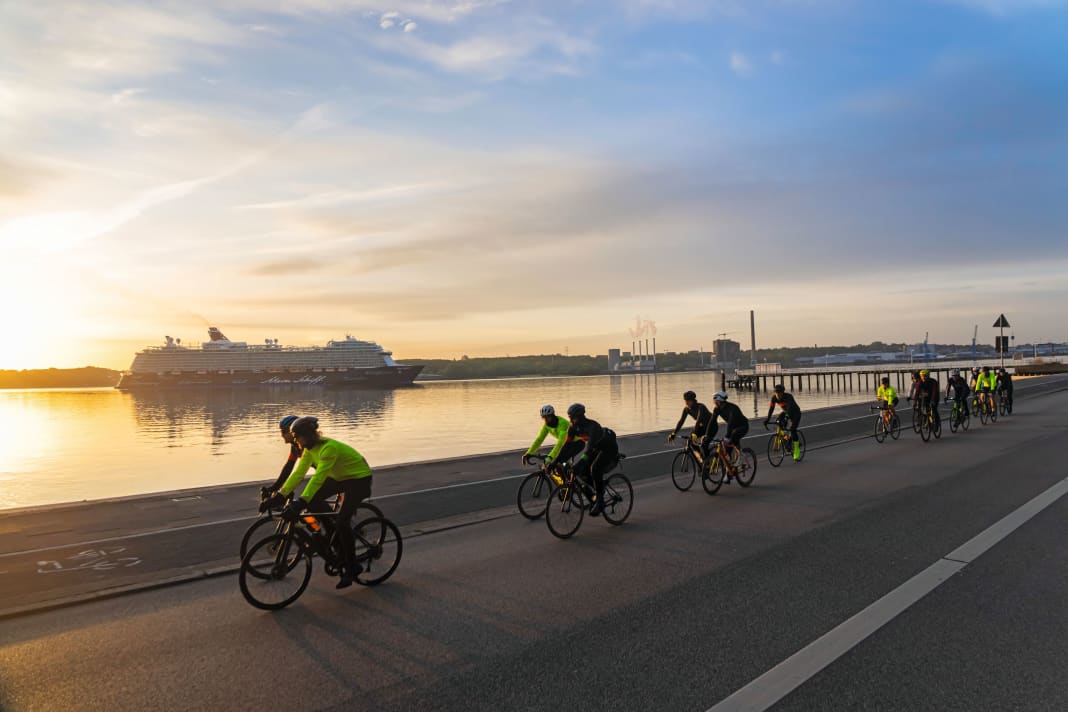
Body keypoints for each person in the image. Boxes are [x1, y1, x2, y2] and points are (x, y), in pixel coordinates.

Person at [260, 416, 372, 590]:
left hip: (359, 479)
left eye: (298, 438)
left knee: (342, 522)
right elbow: (298, 474)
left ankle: (352, 566)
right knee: (313, 502)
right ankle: (330, 530)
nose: (297, 442)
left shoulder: (329, 449)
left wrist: (300, 502)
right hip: (340, 477)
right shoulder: (308, 450)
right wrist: (279, 497)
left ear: (309, 435)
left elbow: (318, 479)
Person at [563, 403, 619, 517]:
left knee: (594, 468)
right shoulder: (573, 427)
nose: (571, 420)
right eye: (569, 418)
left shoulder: (593, 427)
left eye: (573, 417)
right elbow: (566, 446)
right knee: (582, 471)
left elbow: (588, 450)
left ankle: (600, 501)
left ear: (580, 416)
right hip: (596, 449)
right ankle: (598, 489)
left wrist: (580, 462)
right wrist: (554, 462)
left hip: (609, 449)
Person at [522, 405, 584, 483]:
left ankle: (570, 485)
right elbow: (539, 440)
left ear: (553, 415)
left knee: (560, 463)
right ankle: (566, 485)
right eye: (544, 418)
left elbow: (560, 444)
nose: (546, 420)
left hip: (577, 443)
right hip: (566, 443)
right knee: (559, 464)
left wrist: (550, 457)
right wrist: (528, 453)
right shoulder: (547, 426)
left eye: (548, 417)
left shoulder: (562, 424)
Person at [261, 415, 302, 500]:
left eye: (284, 432)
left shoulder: (306, 446)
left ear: (293, 432)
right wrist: (274, 487)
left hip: (330, 475)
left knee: (311, 501)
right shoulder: (295, 447)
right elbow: (288, 468)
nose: (281, 435)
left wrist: (282, 492)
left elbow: (299, 473)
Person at [667, 390, 714, 461]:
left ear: (693, 401)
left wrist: (695, 433)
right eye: (685, 400)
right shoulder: (687, 409)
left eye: (688, 401)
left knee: (704, 443)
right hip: (702, 426)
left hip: (711, 426)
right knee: (690, 441)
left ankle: (707, 464)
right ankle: (701, 457)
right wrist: (674, 433)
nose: (686, 402)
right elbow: (681, 422)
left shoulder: (701, 407)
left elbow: (698, 421)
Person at [707, 391, 749, 468]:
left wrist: (727, 436)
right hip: (734, 428)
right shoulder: (717, 409)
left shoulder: (732, 408)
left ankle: (739, 458)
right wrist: (707, 435)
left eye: (714, 401)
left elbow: (730, 423)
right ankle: (730, 465)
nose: (714, 403)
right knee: (729, 442)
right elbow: (712, 422)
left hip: (743, 426)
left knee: (730, 442)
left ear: (719, 401)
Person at [765, 384, 802, 461]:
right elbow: (771, 409)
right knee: (778, 422)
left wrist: (786, 418)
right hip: (786, 412)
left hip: (795, 413)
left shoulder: (788, 397)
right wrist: (767, 420)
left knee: (792, 429)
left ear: (783, 393)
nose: (778, 394)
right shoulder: (774, 398)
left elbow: (789, 408)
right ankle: (786, 439)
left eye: (779, 393)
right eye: (776, 393)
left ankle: (796, 448)